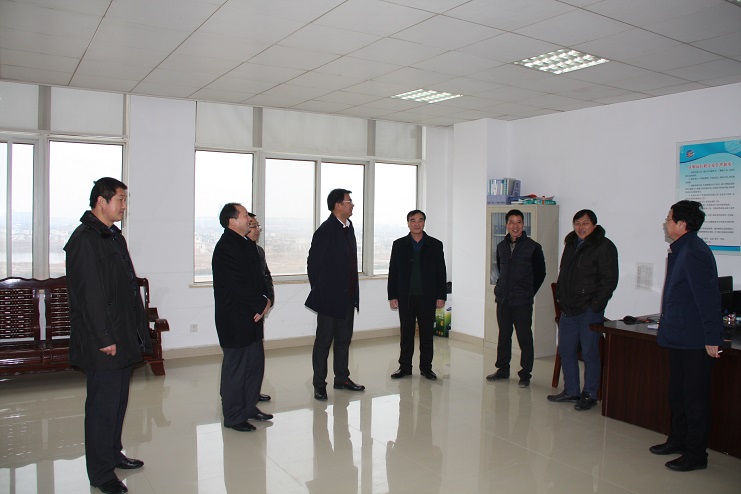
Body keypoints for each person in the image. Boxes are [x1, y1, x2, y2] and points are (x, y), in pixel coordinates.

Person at [65, 177, 152, 494]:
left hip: (122, 335)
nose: (124, 206)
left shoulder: (112, 236)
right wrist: (104, 338)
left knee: (117, 402)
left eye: (125, 199)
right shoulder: (84, 240)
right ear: (101, 202)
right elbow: (89, 296)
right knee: (102, 408)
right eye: (120, 199)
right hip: (103, 340)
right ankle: (101, 473)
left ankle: (114, 454)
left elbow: (125, 287)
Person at [649, 200, 722, 472]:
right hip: (679, 337)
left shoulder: (694, 252)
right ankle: (677, 440)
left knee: (694, 399)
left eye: (669, 218)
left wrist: (713, 337)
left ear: (682, 224)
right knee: (677, 394)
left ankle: (696, 454)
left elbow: (708, 298)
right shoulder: (682, 249)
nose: (665, 223)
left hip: (694, 341)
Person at [548, 209, 618, 411]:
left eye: (585, 223)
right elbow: (563, 273)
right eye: (577, 223)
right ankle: (571, 391)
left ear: (594, 225)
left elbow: (609, 280)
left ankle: (589, 394)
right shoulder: (571, 244)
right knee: (566, 350)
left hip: (589, 310)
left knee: (589, 352)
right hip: (568, 308)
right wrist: (561, 297)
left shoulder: (604, 246)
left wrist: (595, 305)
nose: (581, 227)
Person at [212, 203, 273, 432]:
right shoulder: (226, 247)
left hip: (253, 317)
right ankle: (234, 416)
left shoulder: (246, 245)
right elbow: (237, 285)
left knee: (254, 366)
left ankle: (249, 408)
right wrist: (260, 303)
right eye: (245, 215)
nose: (249, 219)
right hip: (235, 319)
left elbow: (260, 279)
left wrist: (266, 300)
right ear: (232, 221)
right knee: (236, 370)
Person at [305, 188, 364, 400]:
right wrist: (321, 291)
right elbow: (313, 265)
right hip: (329, 299)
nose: (352, 204)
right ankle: (319, 384)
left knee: (344, 340)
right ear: (338, 205)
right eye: (349, 201)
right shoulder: (325, 230)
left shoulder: (349, 227)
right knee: (323, 343)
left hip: (347, 296)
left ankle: (342, 378)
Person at [486, 209, 546, 388]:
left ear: (523, 224)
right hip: (503, 300)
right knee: (504, 335)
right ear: (506, 225)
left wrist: (528, 292)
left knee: (524, 337)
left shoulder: (533, 247)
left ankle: (525, 374)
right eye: (511, 222)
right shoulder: (501, 246)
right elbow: (501, 270)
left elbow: (540, 273)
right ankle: (502, 369)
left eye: (519, 222)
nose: (515, 226)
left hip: (522, 301)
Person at [387, 210, 447, 380]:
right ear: (408, 223)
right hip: (405, 297)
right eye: (413, 220)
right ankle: (405, 367)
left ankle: (426, 368)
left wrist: (441, 296)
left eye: (420, 220)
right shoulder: (399, 245)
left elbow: (441, 272)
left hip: (427, 297)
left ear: (424, 223)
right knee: (406, 334)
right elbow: (393, 271)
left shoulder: (435, 245)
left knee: (427, 334)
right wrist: (392, 296)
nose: (417, 224)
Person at [247, 212, 273, 403]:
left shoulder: (259, 251)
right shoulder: (236, 252)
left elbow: (266, 278)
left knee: (256, 358)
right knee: (241, 359)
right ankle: (236, 396)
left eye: (258, 226)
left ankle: (253, 393)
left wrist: (268, 300)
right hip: (245, 312)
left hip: (259, 311)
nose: (257, 230)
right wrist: (257, 304)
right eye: (253, 226)